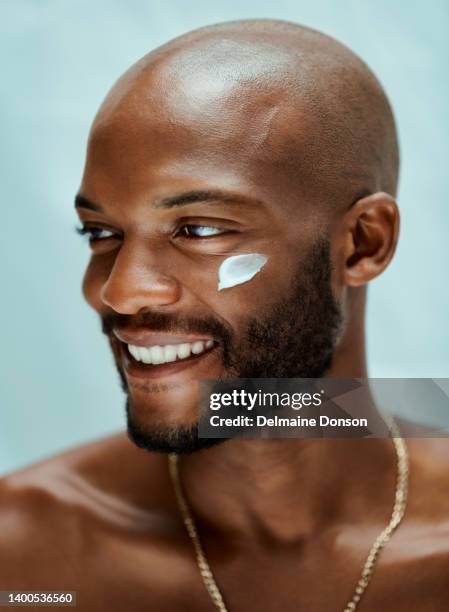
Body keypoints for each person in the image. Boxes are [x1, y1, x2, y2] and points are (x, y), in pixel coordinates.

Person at [1, 19, 448, 611]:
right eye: (101, 232)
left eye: (200, 229)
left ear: (363, 244)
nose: (120, 291)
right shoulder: (27, 558)